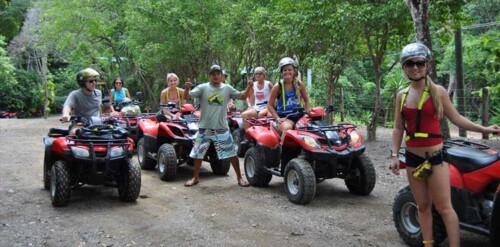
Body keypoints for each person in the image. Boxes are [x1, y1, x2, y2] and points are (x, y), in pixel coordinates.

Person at [389, 42, 500, 247]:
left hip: (436, 158)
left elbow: (457, 119)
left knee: (444, 207)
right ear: (404, 67)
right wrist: (394, 155)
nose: (415, 67)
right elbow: (398, 128)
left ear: (427, 65)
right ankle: (428, 244)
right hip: (413, 159)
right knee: (422, 206)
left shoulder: (437, 92)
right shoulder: (401, 95)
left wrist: (484, 129)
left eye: (420, 63)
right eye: (410, 63)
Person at [183, 65, 253, 187]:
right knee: (198, 154)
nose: (215, 76)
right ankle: (195, 177)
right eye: (213, 74)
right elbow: (186, 97)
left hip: (222, 127)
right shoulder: (203, 88)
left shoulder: (227, 88)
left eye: (218, 74)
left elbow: (242, 96)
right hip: (205, 128)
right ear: (209, 76)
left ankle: (239, 178)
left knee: (231, 153)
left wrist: (249, 88)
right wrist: (187, 89)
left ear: (222, 76)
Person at [267, 57, 310, 144]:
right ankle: (281, 152)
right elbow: (270, 105)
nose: (287, 72)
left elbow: (306, 100)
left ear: (294, 71)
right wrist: (277, 118)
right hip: (285, 117)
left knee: (313, 127)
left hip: (299, 116)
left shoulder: (299, 84)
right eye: (285, 70)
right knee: (287, 128)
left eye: (289, 69)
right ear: (281, 73)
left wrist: (307, 112)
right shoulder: (277, 86)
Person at [61, 68, 116, 134]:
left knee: (114, 132)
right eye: (91, 81)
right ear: (83, 83)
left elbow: (101, 107)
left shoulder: (98, 93)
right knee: (73, 132)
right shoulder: (75, 94)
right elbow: (68, 105)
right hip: (80, 124)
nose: (94, 83)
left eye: (95, 80)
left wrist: (112, 112)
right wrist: (66, 114)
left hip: (97, 123)